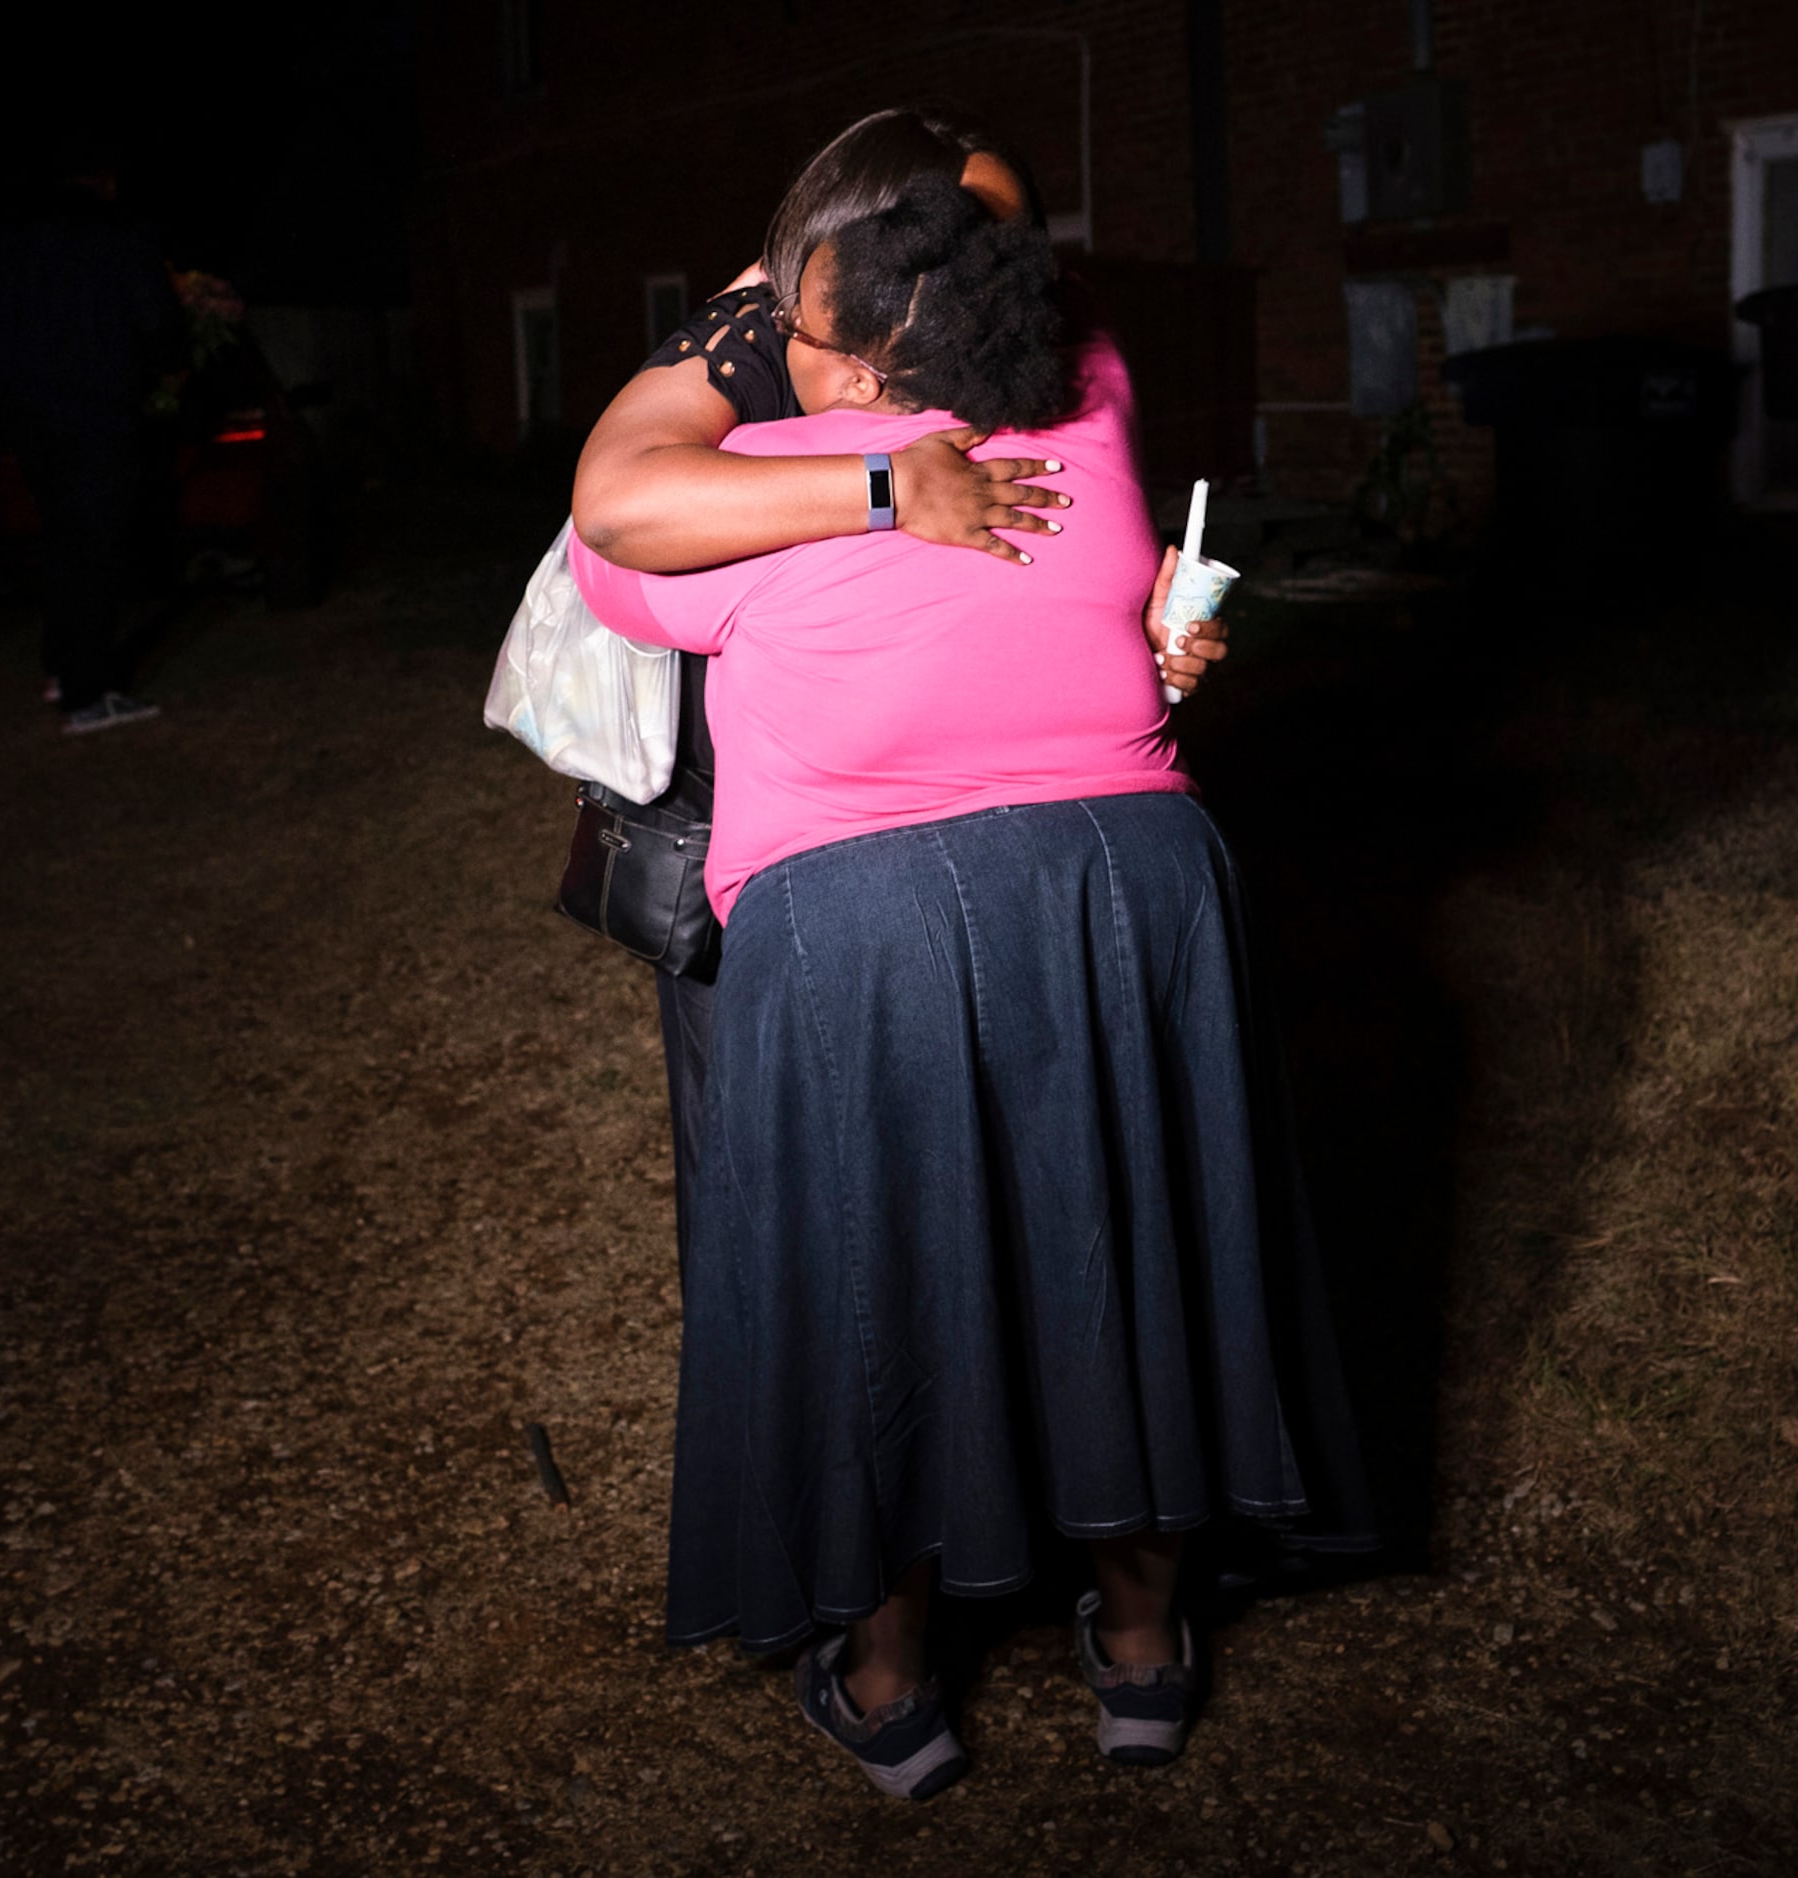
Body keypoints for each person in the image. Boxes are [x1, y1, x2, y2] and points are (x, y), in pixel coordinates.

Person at [569, 173, 1371, 1798]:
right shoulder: (1089, 421)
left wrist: (736, 322)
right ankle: (1141, 1650)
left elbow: (608, 524)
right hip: (1120, 896)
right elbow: (1038, 299)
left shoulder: (768, 477)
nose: (766, 351)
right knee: (1121, 1251)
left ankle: (887, 1681)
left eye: (788, 330)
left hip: (868, 924)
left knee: (877, 1286)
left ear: (856, 369)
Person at [567, 107, 1230, 1368]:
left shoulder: (1035, 338)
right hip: (773, 811)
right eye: (948, 225)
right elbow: (616, 509)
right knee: (816, 1215)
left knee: (1031, 1185)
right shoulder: (766, 328)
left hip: (981, 814)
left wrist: (1132, 608)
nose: (977, 260)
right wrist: (882, 493)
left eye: (1008, 236)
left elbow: (1086, 516)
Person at [0, 141, 186, 736]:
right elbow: (158, 320)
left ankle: (61, 670)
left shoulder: (9, 240)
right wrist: (164, 363)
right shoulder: (115, 234)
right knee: (97, 546)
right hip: (97, 409)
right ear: (106, 180)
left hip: (29, 414)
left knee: (64, 538)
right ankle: (87, 694)